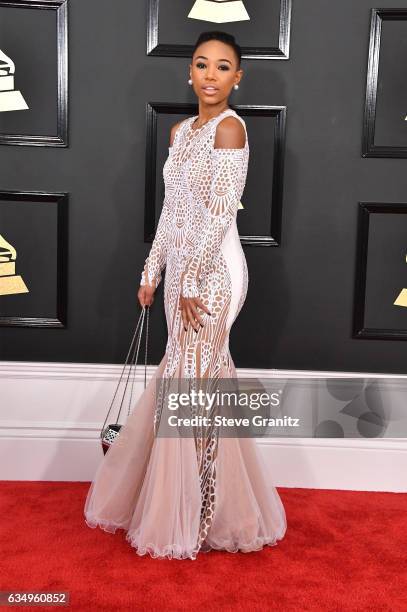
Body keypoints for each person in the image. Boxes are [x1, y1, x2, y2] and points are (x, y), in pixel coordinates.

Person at [84, 30, 287, 560]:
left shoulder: (232, 130)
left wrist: (194, 278)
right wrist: (153, 270)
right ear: (189, 73)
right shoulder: (180, 133)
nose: (211, 75)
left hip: (216, 271)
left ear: (237, 77)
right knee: (182, 376)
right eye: (202, 65)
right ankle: (184, 504)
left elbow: (220, 214)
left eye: (223, 67)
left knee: (199, 380)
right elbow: (173, 212)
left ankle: (203, 511)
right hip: (179, 272)